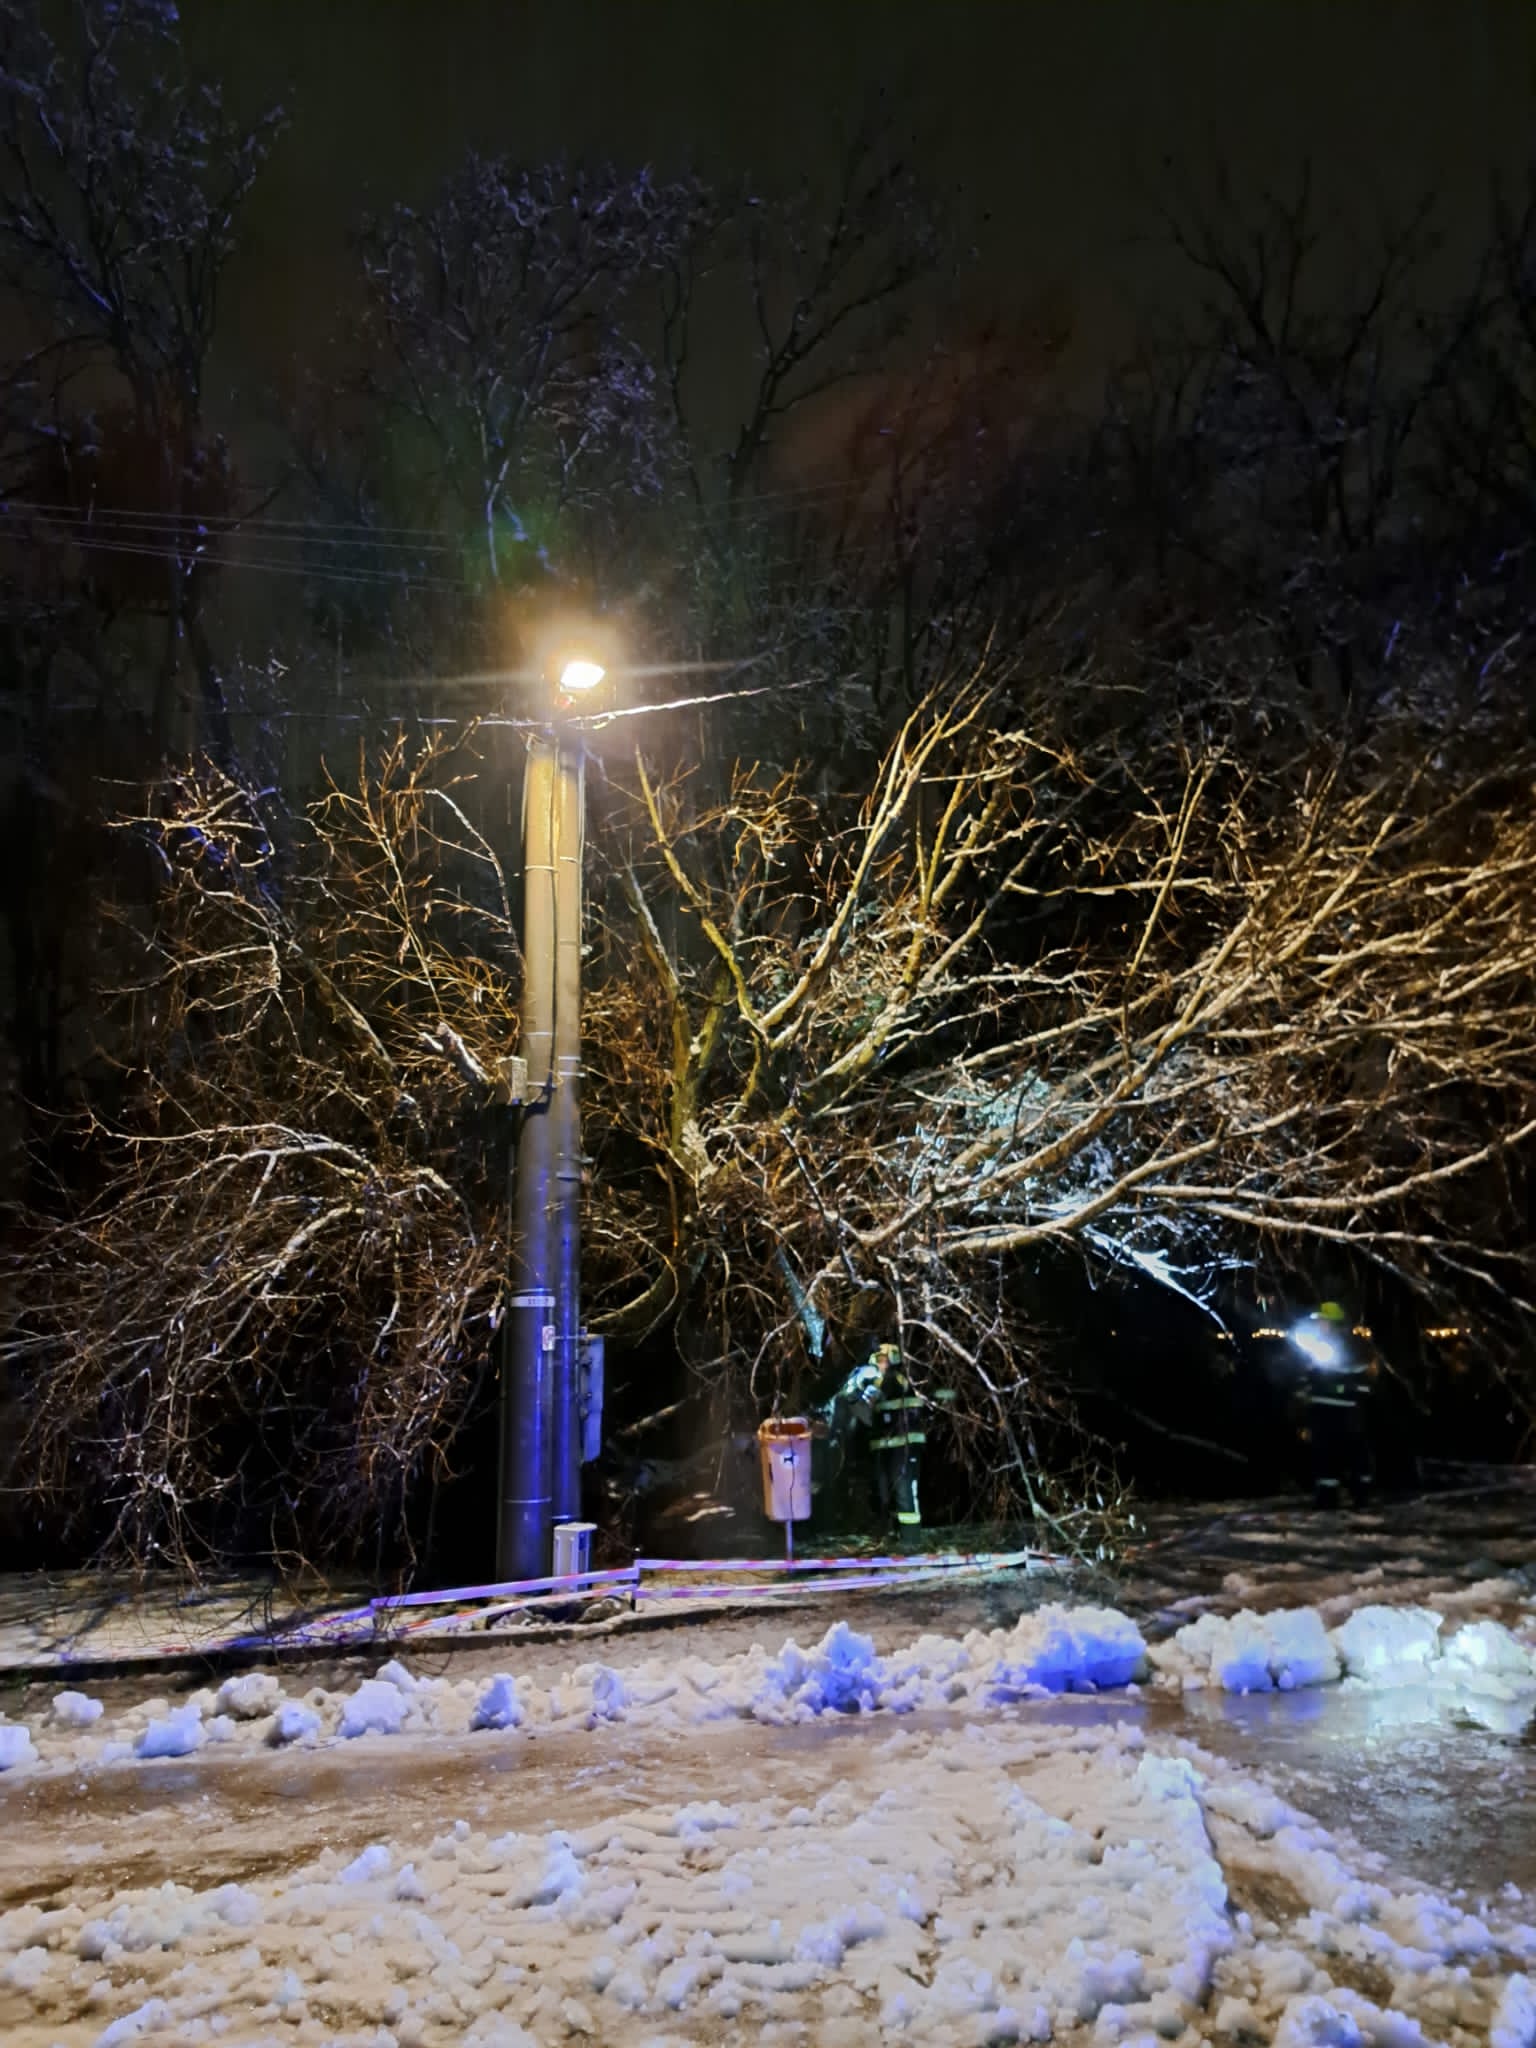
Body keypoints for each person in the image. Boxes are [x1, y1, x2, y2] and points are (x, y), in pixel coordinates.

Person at [1293, 1302, 1373, 1508]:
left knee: (1351, 1451)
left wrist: (1351, 1396)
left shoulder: (1348, 1346)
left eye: (1323, 1321)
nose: (1320, 1324)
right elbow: (1311, 1374)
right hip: (1322, 1408)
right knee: (1324, 1453)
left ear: (1334, 1323)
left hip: (1344, 1410)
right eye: (1319, 1321)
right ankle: (1327, 1495)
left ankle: (1359, 1493)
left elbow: (1357, 1378)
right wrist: (1304, 1391)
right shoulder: (1318, 1345)